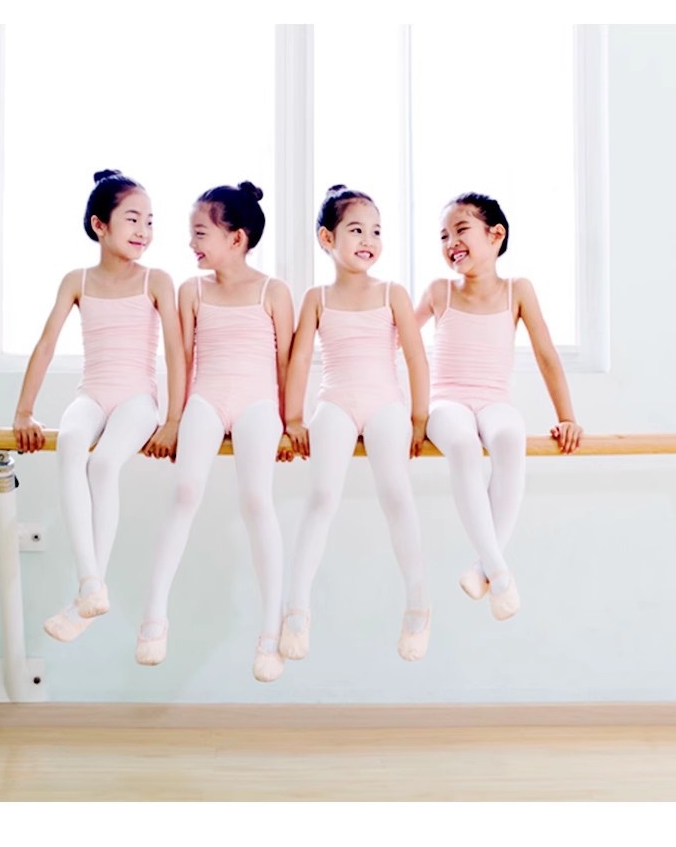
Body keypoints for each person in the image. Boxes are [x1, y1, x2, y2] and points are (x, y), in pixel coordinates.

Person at [13, 169, 185, 643]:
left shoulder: (156, 280)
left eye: (150, 221)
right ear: (99, 225)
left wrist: (173, 419)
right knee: (71, 443)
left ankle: (87, 593)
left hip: (137, 400)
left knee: (104, 464)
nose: (144, 230)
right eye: (132, 219)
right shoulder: (77, 281)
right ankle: (90, 585)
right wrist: (24, 411)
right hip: (91, 393)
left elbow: (176, 351)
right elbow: (46, 344)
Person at [135, 181, 294, 683]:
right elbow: (180, 359)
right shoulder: (193, 291)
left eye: (201, 233)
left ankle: (270, 634)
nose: (192, 243)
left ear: (236, 238)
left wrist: (290, 422)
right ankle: (154, 619)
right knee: (185, 491)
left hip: (258, 405)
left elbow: (286, 364)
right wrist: (173, 419)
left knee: (256, 500)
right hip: (205, 399)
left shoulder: (273, 291)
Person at [281, 185, 431, 663]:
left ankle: (418, 604)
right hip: (336, 403)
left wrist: (419, 416)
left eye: (376, 231)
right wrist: (293, 417)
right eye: (356, 230)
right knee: (322, 496)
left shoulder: (392, 293)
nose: (369, 239)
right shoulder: (317, 298)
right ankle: (296, 607)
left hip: (386, 403)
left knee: (397, 494)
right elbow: (300, 359)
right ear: (327, 238)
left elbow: (415, 356)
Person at [415, 192, 583, 621]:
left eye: (460, 230)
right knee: (464, 447)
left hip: (494, 399)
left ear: (495, 235)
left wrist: (567, 417)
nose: (450, 241)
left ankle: (483, 566)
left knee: (510, 438)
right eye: (443, 236)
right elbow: (396, 341)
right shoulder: (439, 291)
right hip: (447, 401)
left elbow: (546, 355)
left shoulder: (517, 290)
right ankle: (500, 574)